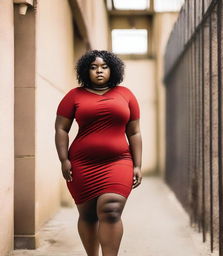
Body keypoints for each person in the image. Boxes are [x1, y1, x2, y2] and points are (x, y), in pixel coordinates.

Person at [54, 50, 142, 256]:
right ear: (86, 71)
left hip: (119, 161)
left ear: (113, 70)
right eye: (93, 67)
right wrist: (63, 159)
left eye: (104, 67)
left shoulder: (126, 95)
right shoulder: (74, 96)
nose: (99, 71)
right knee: (88, 216)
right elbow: (61, 129)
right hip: (82, 164)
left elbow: (134, 131)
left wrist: (137, 164)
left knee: (111, 210)